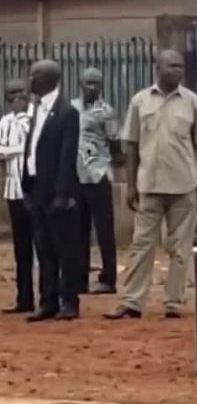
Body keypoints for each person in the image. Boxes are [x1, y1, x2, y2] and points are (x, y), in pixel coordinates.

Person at [108, 50, 197, 320]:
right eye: (173, 66)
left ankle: (174, 303)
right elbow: (130, 144)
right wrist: (130, 185)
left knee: (180, 248)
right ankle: (132, 302)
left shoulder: (192, 102)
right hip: (149, 186)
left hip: (184, 185)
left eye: (181, 66)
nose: (179, 70)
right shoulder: (140, 101)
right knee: (141, 244)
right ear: (158, 69)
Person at [22, 59, 81, 322]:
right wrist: (26, 186)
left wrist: (62, 193)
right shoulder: (36, 109)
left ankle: (69, 301)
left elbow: (67, 156)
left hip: (56, 192)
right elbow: (32, 148)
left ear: (47, 79)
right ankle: (48, 301)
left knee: (64, 249)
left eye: (34, 75)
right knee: (43, 249)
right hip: (36, 189)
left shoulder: (67, 111)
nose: (30, 80)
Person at [73, 67, 120, 295]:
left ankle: (108, 279)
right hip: (76, 176)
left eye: (96, 83)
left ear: (101, 86)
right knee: (78, 230)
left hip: (98, 174)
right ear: (80, 84)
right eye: (88, 82)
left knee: (104, 229)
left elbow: (116, 143)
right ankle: (80, 278)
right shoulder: (71, 108)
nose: (91, 87)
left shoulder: (107, 112)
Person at [0, 81, 34, 315]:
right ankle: (24, 299)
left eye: (20, 92)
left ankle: (51, 297)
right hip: (13, 190)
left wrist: (8, 151)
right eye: (12, 94)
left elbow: (28, 148)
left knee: (44, 246)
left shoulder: (33, 119)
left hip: (33, 190)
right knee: (21, 249)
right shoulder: (4, 122)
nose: (17, 98)